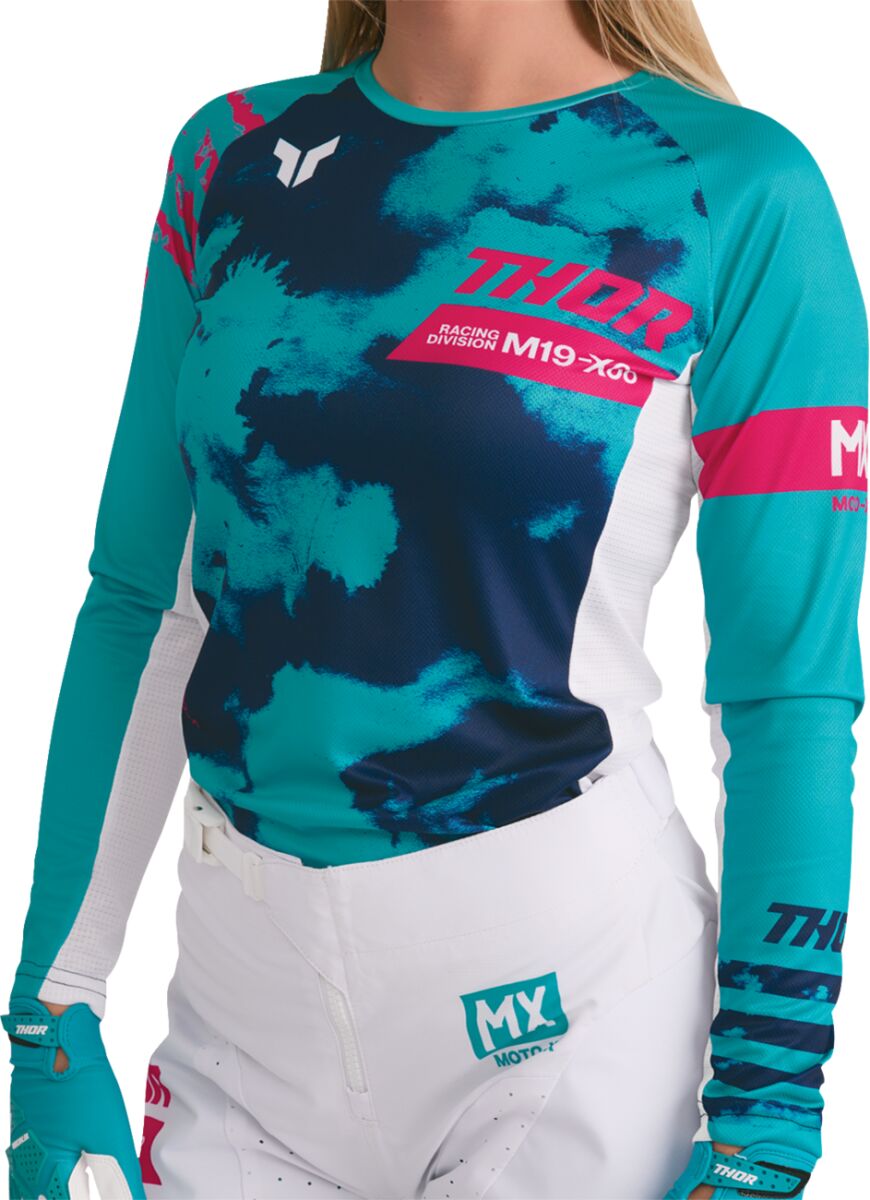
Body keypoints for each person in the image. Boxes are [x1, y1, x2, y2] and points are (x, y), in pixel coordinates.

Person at [5, 1, 866, 1197]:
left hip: (574, 1019)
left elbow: (787, 693)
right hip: (241, 1023)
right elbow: (148, 604)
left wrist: (768, 1114)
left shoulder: (736, 188)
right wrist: (51, 1006)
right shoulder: (232, 154)